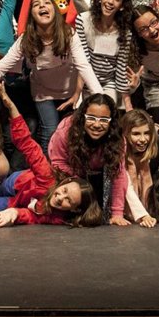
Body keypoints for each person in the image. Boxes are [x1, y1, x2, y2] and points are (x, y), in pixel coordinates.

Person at [0, 0, 103, 151]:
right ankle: (45, 167)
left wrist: (102, 99)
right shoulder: (26, 40)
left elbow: (83, 66)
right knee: (50, 132)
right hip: (43, 93)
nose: (42, 5)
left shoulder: (69, 34)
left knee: (70, 135)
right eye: (36, 4)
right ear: (32, 15)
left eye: (47, 2)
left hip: (68, 91)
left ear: (54, 10)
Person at [0, 80, 104, 227]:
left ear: (74, 209)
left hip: (20, 202)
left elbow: (32, 217)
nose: (60, 198)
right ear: (64, 183)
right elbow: (28, 145)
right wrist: (11, 107)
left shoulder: (58, 217)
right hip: (19, 183)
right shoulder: (46, 176)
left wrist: (15, 213)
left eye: (68, 200)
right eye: (64, 190)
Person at [49, 94, 131, 226]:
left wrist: (117, 213)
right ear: (82, 117)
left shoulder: (118, 139)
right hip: (68, 174)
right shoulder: (65, 131)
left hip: (99, 172)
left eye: (104, 120)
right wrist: (81, 185)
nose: (97, 125)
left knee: (96, 218)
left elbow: (118, 174)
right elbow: (58, 163)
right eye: (91, 118)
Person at [74, 0, 134, 107]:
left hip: (109, 83)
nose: (110, 2)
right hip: (85, 80)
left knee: (107, 111)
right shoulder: (83, 20)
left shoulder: (125, 32)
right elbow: (83, 60)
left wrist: (128, 104)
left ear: (122, 6)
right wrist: (79, 92)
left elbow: (121, 67)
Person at [120, 109, 159, 228]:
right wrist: (142, 215)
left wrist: (148, 212)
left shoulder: (144, 153)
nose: (143, 139)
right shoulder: (120, 152)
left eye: (146, 133)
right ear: (125, 134)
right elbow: (126, 185)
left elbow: (147, 182)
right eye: (136, 134)